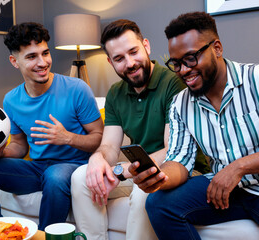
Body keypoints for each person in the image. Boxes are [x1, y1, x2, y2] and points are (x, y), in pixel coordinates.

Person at [135, 12, 259, 240]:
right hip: (223, 191)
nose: (183, 70)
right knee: (158, 204)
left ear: (216, 48)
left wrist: (238, 167)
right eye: (176, 64)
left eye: (190, 58)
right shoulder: (180, 104)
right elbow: (179, 159)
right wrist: (159, 177)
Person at [71, 19, 209, 240]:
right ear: (110, 62)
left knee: (145, 190)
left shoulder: (173, 83)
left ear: (146, 46)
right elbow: (108, 145)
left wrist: (124, 170)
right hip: (138, 170)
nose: (130, 63)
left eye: (133, 52)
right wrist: (97, 159)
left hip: (182, 170)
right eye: (119, 58)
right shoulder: (116, 93)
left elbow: (171, 149)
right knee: (80, 177)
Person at [0, 22, 103, 230]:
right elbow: (19, 145)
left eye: (45, 53)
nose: (42, 62)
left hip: (74, 167)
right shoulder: (11, 100)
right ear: (14, 61)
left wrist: (67, 138)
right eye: (31, 56)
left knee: (55, 176)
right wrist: (1, 154)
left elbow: (99, 137)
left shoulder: (77, 89)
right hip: (37, 169)